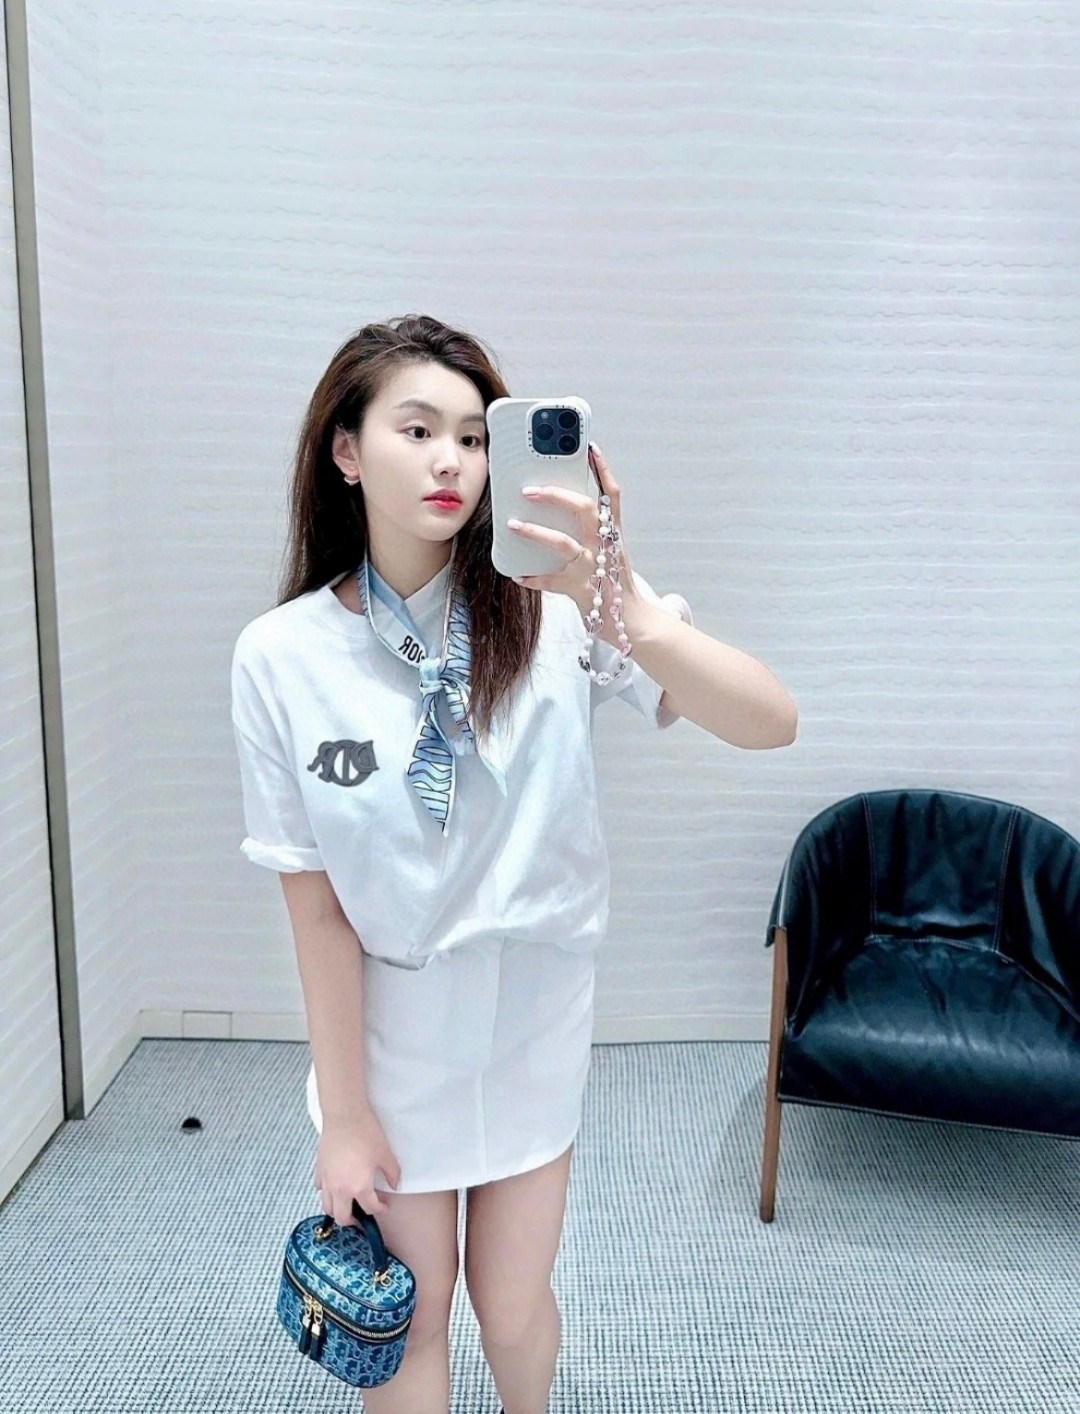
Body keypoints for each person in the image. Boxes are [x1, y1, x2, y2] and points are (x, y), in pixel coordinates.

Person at [230, 313, 798, 1414]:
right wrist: (344, 1115)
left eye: (471, 437)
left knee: (514, 1299)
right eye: (416, 430)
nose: (450, 460)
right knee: (413, 1313)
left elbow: (770, 722)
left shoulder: (555, 614)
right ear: (346, 451)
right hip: (394, 1036)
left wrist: (622, 600)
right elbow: (316, 908)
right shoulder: (281, 657)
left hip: (536, 1020)